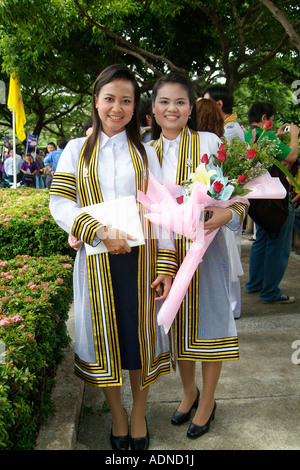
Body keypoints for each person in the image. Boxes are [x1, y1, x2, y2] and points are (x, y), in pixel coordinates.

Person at [49, 64, 176, 451]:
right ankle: (117, 414)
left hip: (141, 264)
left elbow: (161, 210)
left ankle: (138, 413)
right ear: (96, 101)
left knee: (138, 342)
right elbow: (60, 202)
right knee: (105, 341)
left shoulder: (145, 152)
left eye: (126, 100)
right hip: (96, 263)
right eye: (109, 99)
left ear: (136, 106)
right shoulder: (76, 150)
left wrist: (167, 264)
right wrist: (98, 232)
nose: (116, 108)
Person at [150, 72, 248, 439]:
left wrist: (230, 213)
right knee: (178, 325)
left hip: (208, 246)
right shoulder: (145, 151)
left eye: (180, 102)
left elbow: (239, 188)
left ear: (192, 108)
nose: (172, 108)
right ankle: (188, 392)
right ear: (153, 110)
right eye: (164, 102)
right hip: (167, 252)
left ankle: (207, 400)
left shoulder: (208, 140)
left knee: (211, 321)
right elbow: (147, 206)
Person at [244, 102, 299, 303]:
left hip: (258, 200)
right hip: (276, 200)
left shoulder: (247, 136)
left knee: (262, 241)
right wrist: (294, 135)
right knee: (278, 245)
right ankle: (270, 292)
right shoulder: (266, 136)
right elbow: (291, 156)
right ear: (266, 118)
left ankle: (254, 284)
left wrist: (276, 135)